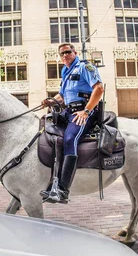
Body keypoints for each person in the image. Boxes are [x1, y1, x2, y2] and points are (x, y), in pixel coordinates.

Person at [40, 43, 104, 204]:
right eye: (62, 54)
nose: (65, 55)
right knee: (46, 127)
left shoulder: (85, 67)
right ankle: (51, 181)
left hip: (84, 111)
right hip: (68, 111)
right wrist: (51, 100)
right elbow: (62, 95)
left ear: (75, 52)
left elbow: (99, 89)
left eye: (68, 52)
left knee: (70, 139)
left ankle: (62, 190)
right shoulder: (65, 71)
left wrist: (86, 111)